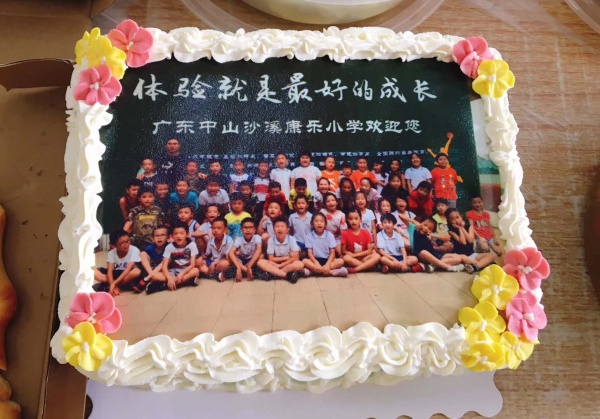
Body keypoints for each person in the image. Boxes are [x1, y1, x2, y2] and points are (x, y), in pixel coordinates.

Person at [446, 208, 496, 273]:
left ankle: (474, 267)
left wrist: (462, 228)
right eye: (452, 219)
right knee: (490, 263)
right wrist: (460, 228)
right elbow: (463, 242)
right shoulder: (451, 231)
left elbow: (470, 240)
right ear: (449, 221)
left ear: (461, 217)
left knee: (492, 256)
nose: (456, 220)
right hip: (460, 256)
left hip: (471, 254)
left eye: (457, 217)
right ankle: (479, 265)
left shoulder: (469, 227)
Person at [256, 217, 305, 283]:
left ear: (287, 229)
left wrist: (281, 265)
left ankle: (274, 273)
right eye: (277, 226)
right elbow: (271, 259)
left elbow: (296, 257)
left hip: (288, 263)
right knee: (260, 262)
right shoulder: (271, 240)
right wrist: (288, 257)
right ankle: (286, 275)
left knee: (300, 264)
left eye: (282, 226)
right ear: (273, 229)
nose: (280, 229)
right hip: (275, 263)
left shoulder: (291, 239)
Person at [93, 230, 142, 295]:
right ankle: (115, 287)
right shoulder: (111, 253)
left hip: (127, 273)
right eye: (122, 243)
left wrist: (114, 283)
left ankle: (111, 286)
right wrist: (112, 284)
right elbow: (109, 271)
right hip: (116, 273)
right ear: (113, 246)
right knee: (94, 272)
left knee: (136, 271)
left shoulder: (134, 250)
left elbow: (128, 269)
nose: (126, 244)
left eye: (128, 241)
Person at [303, 212, 347, 277]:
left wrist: (328, 265)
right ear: (312, 223)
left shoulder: (329, 235)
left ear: (325, 224)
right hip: (315, 260)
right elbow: (310, 254)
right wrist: (316, 263)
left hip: (327, 260)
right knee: (304, 261)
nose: (319, 223)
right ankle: (331, 272)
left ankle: (313, 272)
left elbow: (332, 253)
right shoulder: (309, 236)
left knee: (341, 261)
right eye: (316, 221)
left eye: (321, 221)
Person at [162, 222, 200, 290]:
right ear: (172, 236)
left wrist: (181, 274)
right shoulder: (169, 247)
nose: (178, 236)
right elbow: (164, 266)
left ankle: (170, 284)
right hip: (173, 271)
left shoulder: (192, 245)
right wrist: (169, 278)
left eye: (181, 233)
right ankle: (185, 282)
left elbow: (192, 264)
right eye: (175, 234)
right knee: (156, 276)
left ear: (187, 234)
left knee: (196, 270)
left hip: (186, 270)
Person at [341, 209, 381, 273]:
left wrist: (355, 255)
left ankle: (356, 269)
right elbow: (343, 251)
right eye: (351, 219)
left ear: (361, 220)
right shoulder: (345, 233)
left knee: (377, 256)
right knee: (345, 258)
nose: (353, 221)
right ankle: (368, 266)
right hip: (353, 259)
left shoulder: (365, 232)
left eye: (356, 219)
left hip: (364, 258)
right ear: (347, 220)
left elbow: (369, 250)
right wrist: (351, 255)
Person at [199, 217, 234, 282]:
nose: (215, 230)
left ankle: (210, 274)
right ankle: (216, 275)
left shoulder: (229, 241)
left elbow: (228, 258)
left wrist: (215, 263)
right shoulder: (211, 241)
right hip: (213, 262)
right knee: (200, 263)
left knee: (224, 264)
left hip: (222, 262)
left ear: (225, 229)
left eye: (219, 228)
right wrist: (201, 259)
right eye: (213, 228)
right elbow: (207, 255)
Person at [228, 218, 263, 282]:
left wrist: (249, 265)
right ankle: (245, 270)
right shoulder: (239, 239)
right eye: (245, 228)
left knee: (261, 256)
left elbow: (259, 250)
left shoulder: (257, 237)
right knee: (229, 256)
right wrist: (238, 267)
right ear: (241, 230)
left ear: (254, 230)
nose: (248, 230)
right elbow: (231, 252)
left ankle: (244, 271)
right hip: (242, 261)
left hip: (253, 260)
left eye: (250, 227)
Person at [137, 226, 169, 294]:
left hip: (163, 271)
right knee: (142, 254)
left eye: (162, 235)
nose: (159, 237)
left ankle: (149, 280)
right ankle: (150, 277)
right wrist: (151, 273)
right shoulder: (149, 248)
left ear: (168, 238)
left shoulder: (169, 247)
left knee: (166, 259)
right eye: (157, 235)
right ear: (153, 239)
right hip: (151, 270)